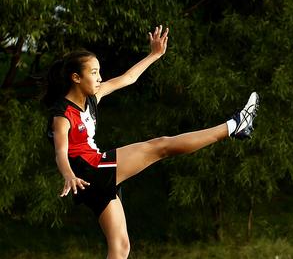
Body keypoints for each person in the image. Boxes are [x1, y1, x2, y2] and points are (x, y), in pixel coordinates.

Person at [42, 25, 259, 259]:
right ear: (76, 77)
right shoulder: (62, 115)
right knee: (160, 146)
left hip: (92, 179)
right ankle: (235, 125)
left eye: (99, 72)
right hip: (90, 171)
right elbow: (60, 153)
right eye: (94, 73)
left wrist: (154, 55)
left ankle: (236, 126)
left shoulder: (93, 96)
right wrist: (68, 175)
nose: (100, 78)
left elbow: (129, 78)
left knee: (120, 247)